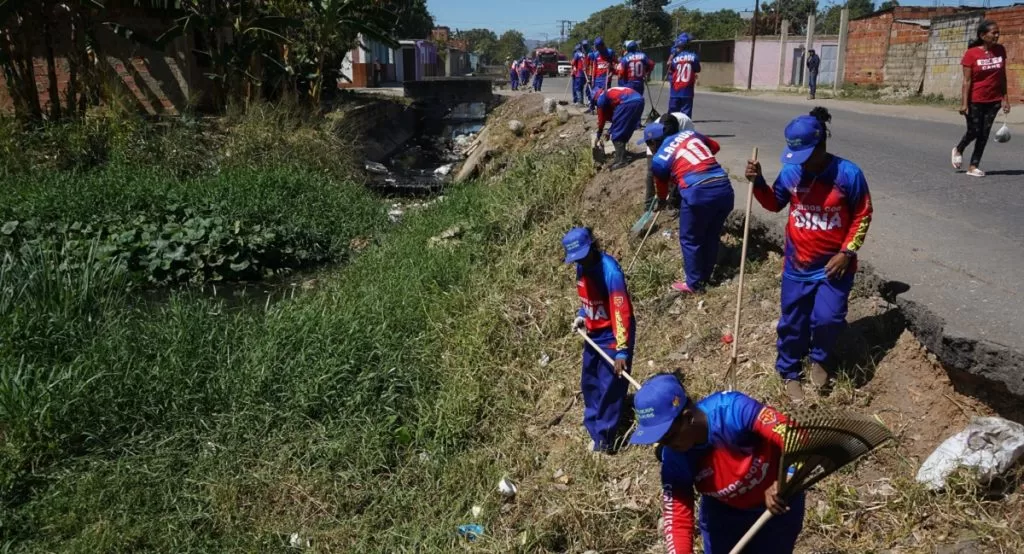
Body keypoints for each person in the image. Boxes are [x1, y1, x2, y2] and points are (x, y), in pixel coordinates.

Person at [744, 108, 873, 403]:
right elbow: (774, 204)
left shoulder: (848, 175)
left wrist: (846, 252)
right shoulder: (792, 173)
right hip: (797, 265)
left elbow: (862, 214)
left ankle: (820, 359)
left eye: (807, 156)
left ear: (821, 146)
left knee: (828, 319)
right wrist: (760, 183)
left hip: (834, 268)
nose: (801, 164)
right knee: (793, 322)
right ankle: (789, 370)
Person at [629, 373, 805, 554]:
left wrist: (785, 480)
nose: (666, 446)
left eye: (668, 437)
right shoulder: (675, 458)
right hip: (724, 515)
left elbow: (797, 438)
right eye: (659, 440)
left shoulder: (733, 410)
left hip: (777, 510)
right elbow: (677, 516)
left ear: (688, 418)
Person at [563, 227, 635, 453]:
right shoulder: (581, 267)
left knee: (610, 386)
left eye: (582, 255)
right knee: (590, 381)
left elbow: (620, 312)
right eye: (575, 258)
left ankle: (605, 440)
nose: (579, 261)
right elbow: (589, 299)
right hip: (594, 333)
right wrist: (582, 316)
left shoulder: (610, 272)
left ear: (592, 246)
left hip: (613, 335)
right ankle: (593, 427)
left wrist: (622, 350)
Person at [647, 117, 734, 294]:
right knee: (711, 235)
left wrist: (662, 201)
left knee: (690, 239)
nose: (650, 148)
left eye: (649, 144)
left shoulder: (658, 160)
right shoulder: (689, 134)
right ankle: (706, 277)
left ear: (655, 142)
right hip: (724, 188)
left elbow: (662, 191)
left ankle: (694, 284)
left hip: (697, 192)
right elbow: (715, 147)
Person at [953, 20, 1011, 178]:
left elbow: (1002, 77)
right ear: (983, 35)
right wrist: (964, 103)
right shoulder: (971, 54)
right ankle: (959, 149)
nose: (997, 35)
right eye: (994, 33)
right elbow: (967, 81)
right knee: (974, 130)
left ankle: (973, 166)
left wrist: (1005, 99)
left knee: (984, 134)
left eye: (998, 32)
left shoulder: (1000, 50)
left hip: (994, 100)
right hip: (975, 99)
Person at [642, 112, 693, 210]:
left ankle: (674, 202)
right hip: (659, 137)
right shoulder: (653, 132)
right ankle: (648, 205)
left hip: (683, 128)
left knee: (677, 171)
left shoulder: (684, 126)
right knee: (652, 170)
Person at [594, 86, 646, 169]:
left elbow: (601, 119)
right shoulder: (610, 93)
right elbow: (617, 119)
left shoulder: (601, 99)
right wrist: (610, 130)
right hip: (639, 101)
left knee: (617, 135)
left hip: (628, 103)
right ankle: (622, 155)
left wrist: (598, 134)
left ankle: (622, 160)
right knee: (625, 129)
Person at [667, 33, 701, 118]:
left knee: (673, 114)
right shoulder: (694, 57)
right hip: (687, 90)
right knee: (685, 115)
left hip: (675, 90)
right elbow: (697, 69)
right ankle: (685, 130)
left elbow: (671, 70)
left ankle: (672, 130)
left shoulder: (675, 59)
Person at [588, 37, 617, 112]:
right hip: (597, 78)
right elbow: (594, 66)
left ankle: (605, 111)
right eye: (596, 47)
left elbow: (615, 63)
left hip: (606, 77)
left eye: (599, 47)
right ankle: (592, 107)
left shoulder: (610, 52)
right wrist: (592, 78)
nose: (598, 49)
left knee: (605, 96)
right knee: (594, 94)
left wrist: (611, 71)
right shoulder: (596, 55)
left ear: (602, 45)